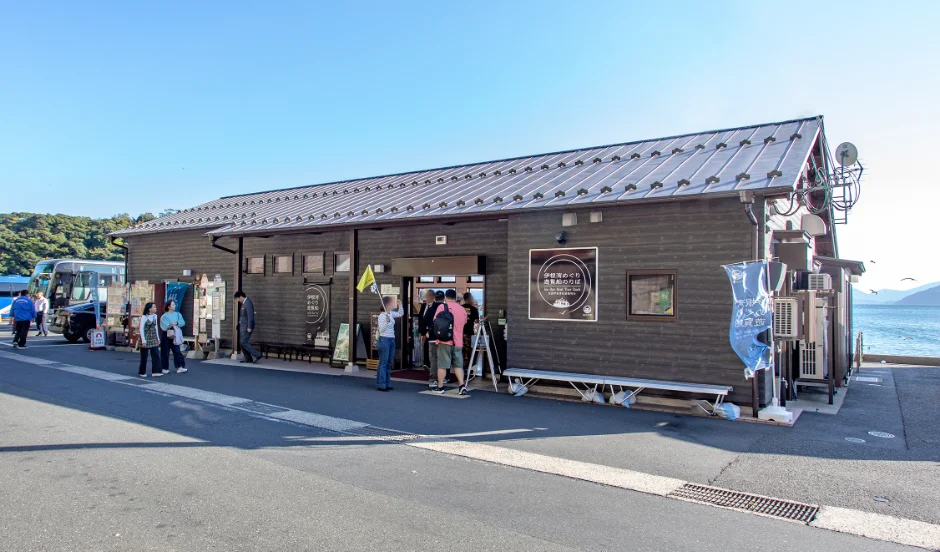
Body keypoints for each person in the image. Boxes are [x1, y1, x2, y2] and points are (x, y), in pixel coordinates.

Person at [433, 289, 469, 395]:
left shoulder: (442, 307)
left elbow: (435, 321)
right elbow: (465, 322)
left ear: (446, 297)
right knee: (458, 366)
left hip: (444, 341)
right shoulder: (462, 309)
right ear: (455, 298)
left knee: (442, 365)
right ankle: (462, 386)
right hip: (458, 342)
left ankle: (440, 387)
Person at [376, 295, 404, 392]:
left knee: (388, 363)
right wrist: (387, 322)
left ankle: (387, 383)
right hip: (384, 340)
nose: (393, 305)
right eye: (391, 303)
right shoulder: (381, 316)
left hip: (392, 340)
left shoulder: (391, 313)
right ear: (386, 304)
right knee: (383, 363)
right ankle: (381, 384)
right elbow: (381, 329)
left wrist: (400, 305)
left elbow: (401, 313)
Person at [421, 290, 444, 388]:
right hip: (444, 337)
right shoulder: (446, 308)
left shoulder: (431, 309)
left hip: (432, 337)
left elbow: (424, 321)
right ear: (444, 298)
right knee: (443, 358)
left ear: (435, 298)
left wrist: (423, 333)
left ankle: (433, 379)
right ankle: (444, 378)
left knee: (434, 358)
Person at [160, 299, 188, 374]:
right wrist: (170, 325)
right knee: (165, 352)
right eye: (173, 305)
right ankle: (164, 367)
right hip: (166, 334)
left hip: (175, 335)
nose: (174, 306)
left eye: (174, 305)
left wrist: (176, 323)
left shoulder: (178, 314)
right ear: (168, 306)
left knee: (177, 351)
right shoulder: (164, 316)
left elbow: (182, 322)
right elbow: (164, 326)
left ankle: (180, 366)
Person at [235, 291, 262, 363]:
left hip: (247, 327)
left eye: (237, 299)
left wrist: (249, 326)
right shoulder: (244, 304)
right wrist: (239, 324)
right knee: (242, 342)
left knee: (243, 342)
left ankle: (257, 354)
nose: (238, 300)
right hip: (243, 326)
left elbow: (250, 316)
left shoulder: (248, 303)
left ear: (240, 296)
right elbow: (243, 316)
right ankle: (248, 358)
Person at [138, 302, 163, 377]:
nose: (155, 308)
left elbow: (156, 327)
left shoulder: (155, 316)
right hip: (146, 337)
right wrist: (143, 340)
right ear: (149, 309)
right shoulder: (144, 317)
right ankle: (142, 372)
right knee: (144, 356)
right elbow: (141, 329)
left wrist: (158, 338)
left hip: (153, 337)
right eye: (154, 307)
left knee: (155, 354)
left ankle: (156, 371)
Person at [462, 291, 480, 367]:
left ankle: (460, 365)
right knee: (468, 349)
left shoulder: (460, 307)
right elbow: (476, 321)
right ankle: (467, 366)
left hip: (460, 332)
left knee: (460, 349)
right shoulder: (473, 309)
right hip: (469, 331)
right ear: (470, 299)